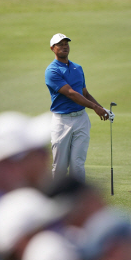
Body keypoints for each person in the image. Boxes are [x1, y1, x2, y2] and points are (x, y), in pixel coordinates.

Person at [45, 33, 109, 182]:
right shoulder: (52, 71)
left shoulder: (77, 68)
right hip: (62, 122)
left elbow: (84, 93)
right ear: (52, 48)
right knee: (60, 166)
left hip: (81, 119)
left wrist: (102, 108)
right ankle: (57, 200)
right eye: (60, 44)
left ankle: (78, 201)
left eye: (66, 43)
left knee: (78, 165)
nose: (64, 46)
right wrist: (95, 108)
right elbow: (72, 94)